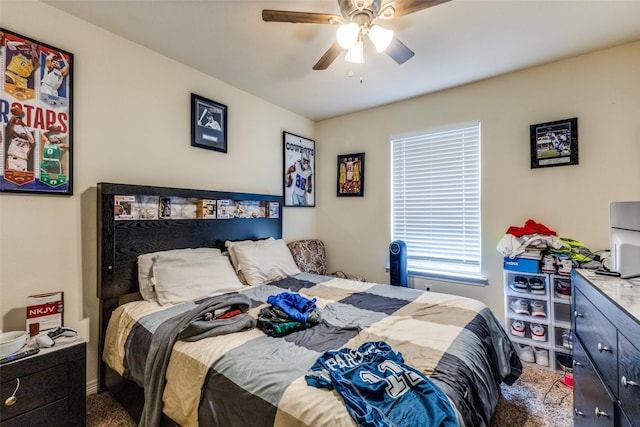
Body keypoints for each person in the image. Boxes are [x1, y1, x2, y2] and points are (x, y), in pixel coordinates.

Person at [5, 106, 35, 171]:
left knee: (22, 180)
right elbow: (8, 129)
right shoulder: (14, 138)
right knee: (10, 180)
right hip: (12, 160)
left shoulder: (29, 142)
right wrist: (12, 118)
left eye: (24, 133)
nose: (23, 133)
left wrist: (23, 125)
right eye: (21, 132)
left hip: (23, 161)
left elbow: (31, 139)